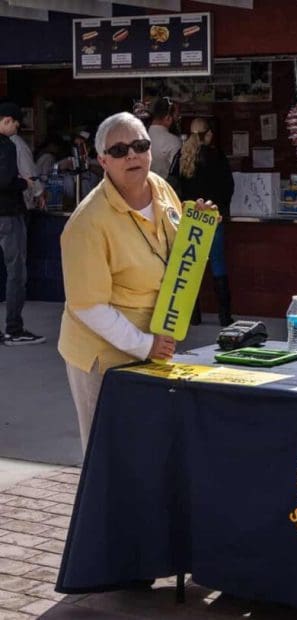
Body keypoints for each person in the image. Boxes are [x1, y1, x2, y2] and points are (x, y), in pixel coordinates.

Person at [58, 111, 215, 451]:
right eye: (119, 151)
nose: (131, 155)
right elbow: (89, 307)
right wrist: (145, 345)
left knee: (148, 448)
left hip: (156, 343)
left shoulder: (161, 189)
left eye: (139, 146)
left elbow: (180, 258)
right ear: (102, 160)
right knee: (107, 455)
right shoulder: (87, 223)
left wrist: (197, 230)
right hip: (102, 356)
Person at [168, 117, 235, 326]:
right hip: (213, 216)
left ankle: (193, 316)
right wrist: (222, 209)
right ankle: (224, 316)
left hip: (189, 217)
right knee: (217, 264)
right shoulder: (216, 156)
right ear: (207, 134)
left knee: (191, 267)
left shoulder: (182, 156)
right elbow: (227, 186)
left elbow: (173, 186)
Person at [0, 101, 45, 345]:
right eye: (16, 123)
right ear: (7, 120)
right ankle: (14, 330)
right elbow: (5, 180)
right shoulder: (7, 145)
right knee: (16, 272)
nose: (17, 128)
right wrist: (25, 183)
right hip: (8, 214)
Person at [148, 96, 182, 179]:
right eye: (177, 116)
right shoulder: (174, 141)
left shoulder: (139, 135)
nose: (178, 119)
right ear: (168, 118)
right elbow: (177, 172)